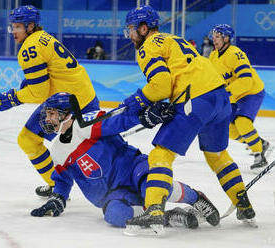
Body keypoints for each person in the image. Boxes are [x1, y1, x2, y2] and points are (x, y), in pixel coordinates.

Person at [121, 5, 255, 232]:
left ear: (144, 29)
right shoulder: (173, 38)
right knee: (218, 155)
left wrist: (136, 100)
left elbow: (161, 85)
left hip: (195, 99)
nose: (130, 35)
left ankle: (154, 210)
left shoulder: (146, 48)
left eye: (132, 29)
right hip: (220, 97)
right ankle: (243, 203)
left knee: (161, 153)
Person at [30, 92, 220, 231]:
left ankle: (196, 197)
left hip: (133, 168)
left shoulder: (86, 123)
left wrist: (141, 117)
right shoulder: (57, 150)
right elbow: (62, 180)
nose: (47, 119)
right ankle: (170, 217)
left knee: (151, 185)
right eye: (47, 114)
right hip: (114, 194)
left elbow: (118, 121)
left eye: (52, 114)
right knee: (114, 216)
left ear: (67, 114)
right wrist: (58, 199)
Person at [0, 5, 99, 197]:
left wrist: (12, 98)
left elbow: (38, 93)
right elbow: (49, 76)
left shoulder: (29, 48)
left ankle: (57, 185)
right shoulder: (44, 37)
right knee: (84, 147)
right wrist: (30, 83)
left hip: (70, 103)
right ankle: (58, 185)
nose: (13, 31)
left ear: (30, 26)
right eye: (12, 26)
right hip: (84, 97)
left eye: (18, 26)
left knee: (30, 140)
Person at [209, 24, 273, 171]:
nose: (214, 39)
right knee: (229, 130)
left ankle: (259, 155)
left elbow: (246, 80)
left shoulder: (235, 54)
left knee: (242, 122)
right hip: (234, 96)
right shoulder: (213, 56)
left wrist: (225, 93)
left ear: (227, 39)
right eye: (214, 36)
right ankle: (260, 143)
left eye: (218, 36)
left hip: (250, 92)